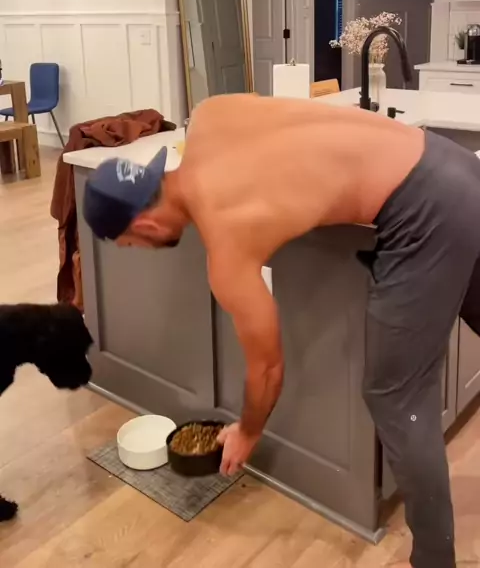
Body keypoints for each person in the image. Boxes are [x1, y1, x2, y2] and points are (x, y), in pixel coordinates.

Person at [83, 93, 480, 568]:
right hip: (452, 162)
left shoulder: (225, 244)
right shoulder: (210, 115)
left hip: (426, 212)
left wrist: (247, 431)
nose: (139, 250)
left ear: (145, 225)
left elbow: (268, 368)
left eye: (130, 243)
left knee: (395, 395)